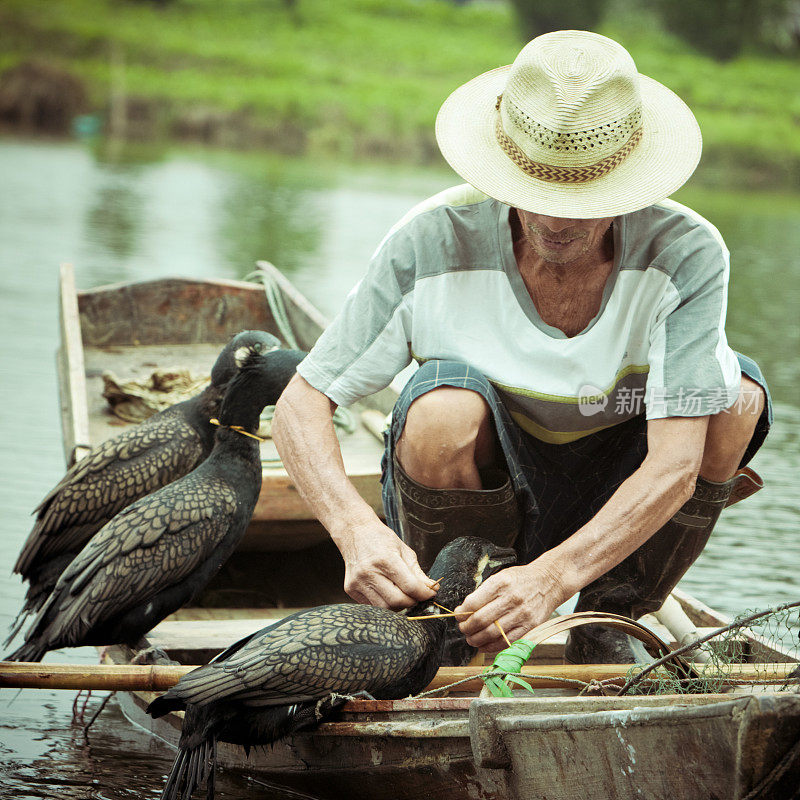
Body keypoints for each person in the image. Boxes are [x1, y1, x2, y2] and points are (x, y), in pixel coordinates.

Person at [272, 30, 771, 664]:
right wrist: (354, 531)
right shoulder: (430, 242)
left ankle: (609, 615)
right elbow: (301, 403)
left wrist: (555, 579)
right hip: (483, 497)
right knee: (441, 412)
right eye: (538, 194)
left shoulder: (687, 253)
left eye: (586, 202)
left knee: (734, 400)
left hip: (617, 494)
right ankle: (455, 620)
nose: (557, 223)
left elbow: (674, 465)